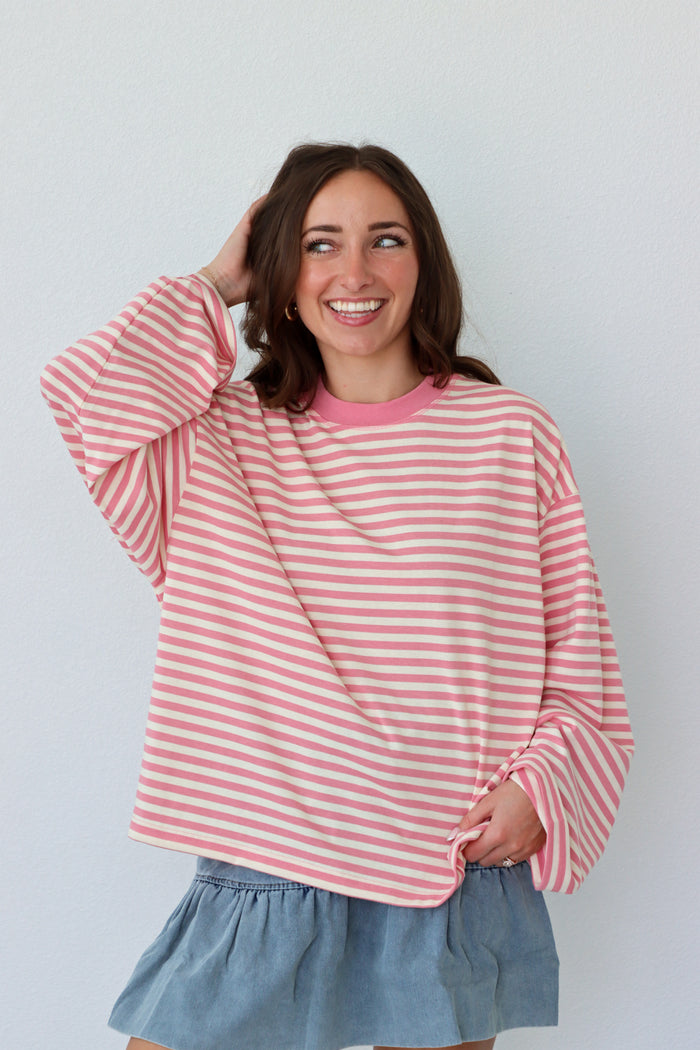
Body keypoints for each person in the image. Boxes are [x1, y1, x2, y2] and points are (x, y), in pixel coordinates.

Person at [41, 143, 634, 1050]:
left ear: (424, 263)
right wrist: (215, 280)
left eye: (385, 240)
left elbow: (577, 656)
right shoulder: (216, 438)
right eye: (319, 244)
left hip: (447, 857)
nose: (354, 272)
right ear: (279, 271)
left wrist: (540, 787)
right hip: (269, 850)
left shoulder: (512, 434)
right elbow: (89, 399)